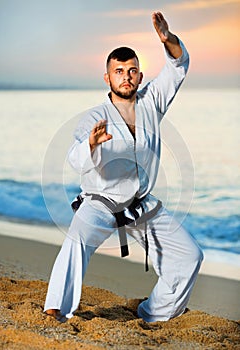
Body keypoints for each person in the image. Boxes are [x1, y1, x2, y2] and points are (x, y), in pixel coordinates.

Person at [44, 11, 203, 322]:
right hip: (101, 203)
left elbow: (178, 66)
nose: (126, 76)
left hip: (141, 204)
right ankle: (56, 311)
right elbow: (76, 158)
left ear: (140, 77)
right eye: (119, 71)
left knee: (190, 256)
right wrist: (92, 143)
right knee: (76, 244)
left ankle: (153, 312)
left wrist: (168, 40)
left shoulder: (152, 101)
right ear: (108, 78)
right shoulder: (94, 118)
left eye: (132, 71)